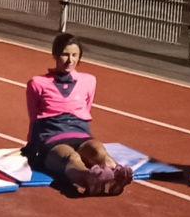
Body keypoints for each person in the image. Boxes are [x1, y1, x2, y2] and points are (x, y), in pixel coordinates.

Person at [24, 35, 132, 196]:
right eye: (65, 54)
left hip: (80, 133)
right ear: (55, 54)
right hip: (53, 137)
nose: (70, 60)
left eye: (74, 55)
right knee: (71, 156)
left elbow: (86, 110)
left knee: (97, 150)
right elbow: (34, 117)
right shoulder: (37, 83)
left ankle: (117, 174)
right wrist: (32, 146)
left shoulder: (89, 80)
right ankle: (89, 177)